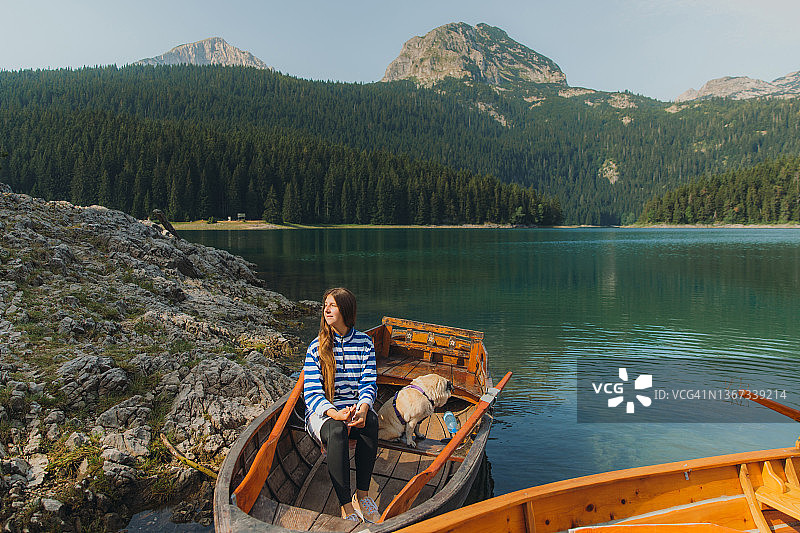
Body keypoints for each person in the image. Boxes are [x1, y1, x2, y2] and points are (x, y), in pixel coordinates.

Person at [303, 287, 381, 523]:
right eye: (325, 305)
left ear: (346, 310)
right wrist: (335, 414)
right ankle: (346, 506)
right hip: (323, 413)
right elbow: (312, 393)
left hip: (354, 409)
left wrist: (363, 408)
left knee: (371, 421)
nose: (326, 309)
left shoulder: (365, 343)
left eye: (333, 305)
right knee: (337, 430)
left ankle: (362, 496)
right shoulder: (316, 347)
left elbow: (368, 383)